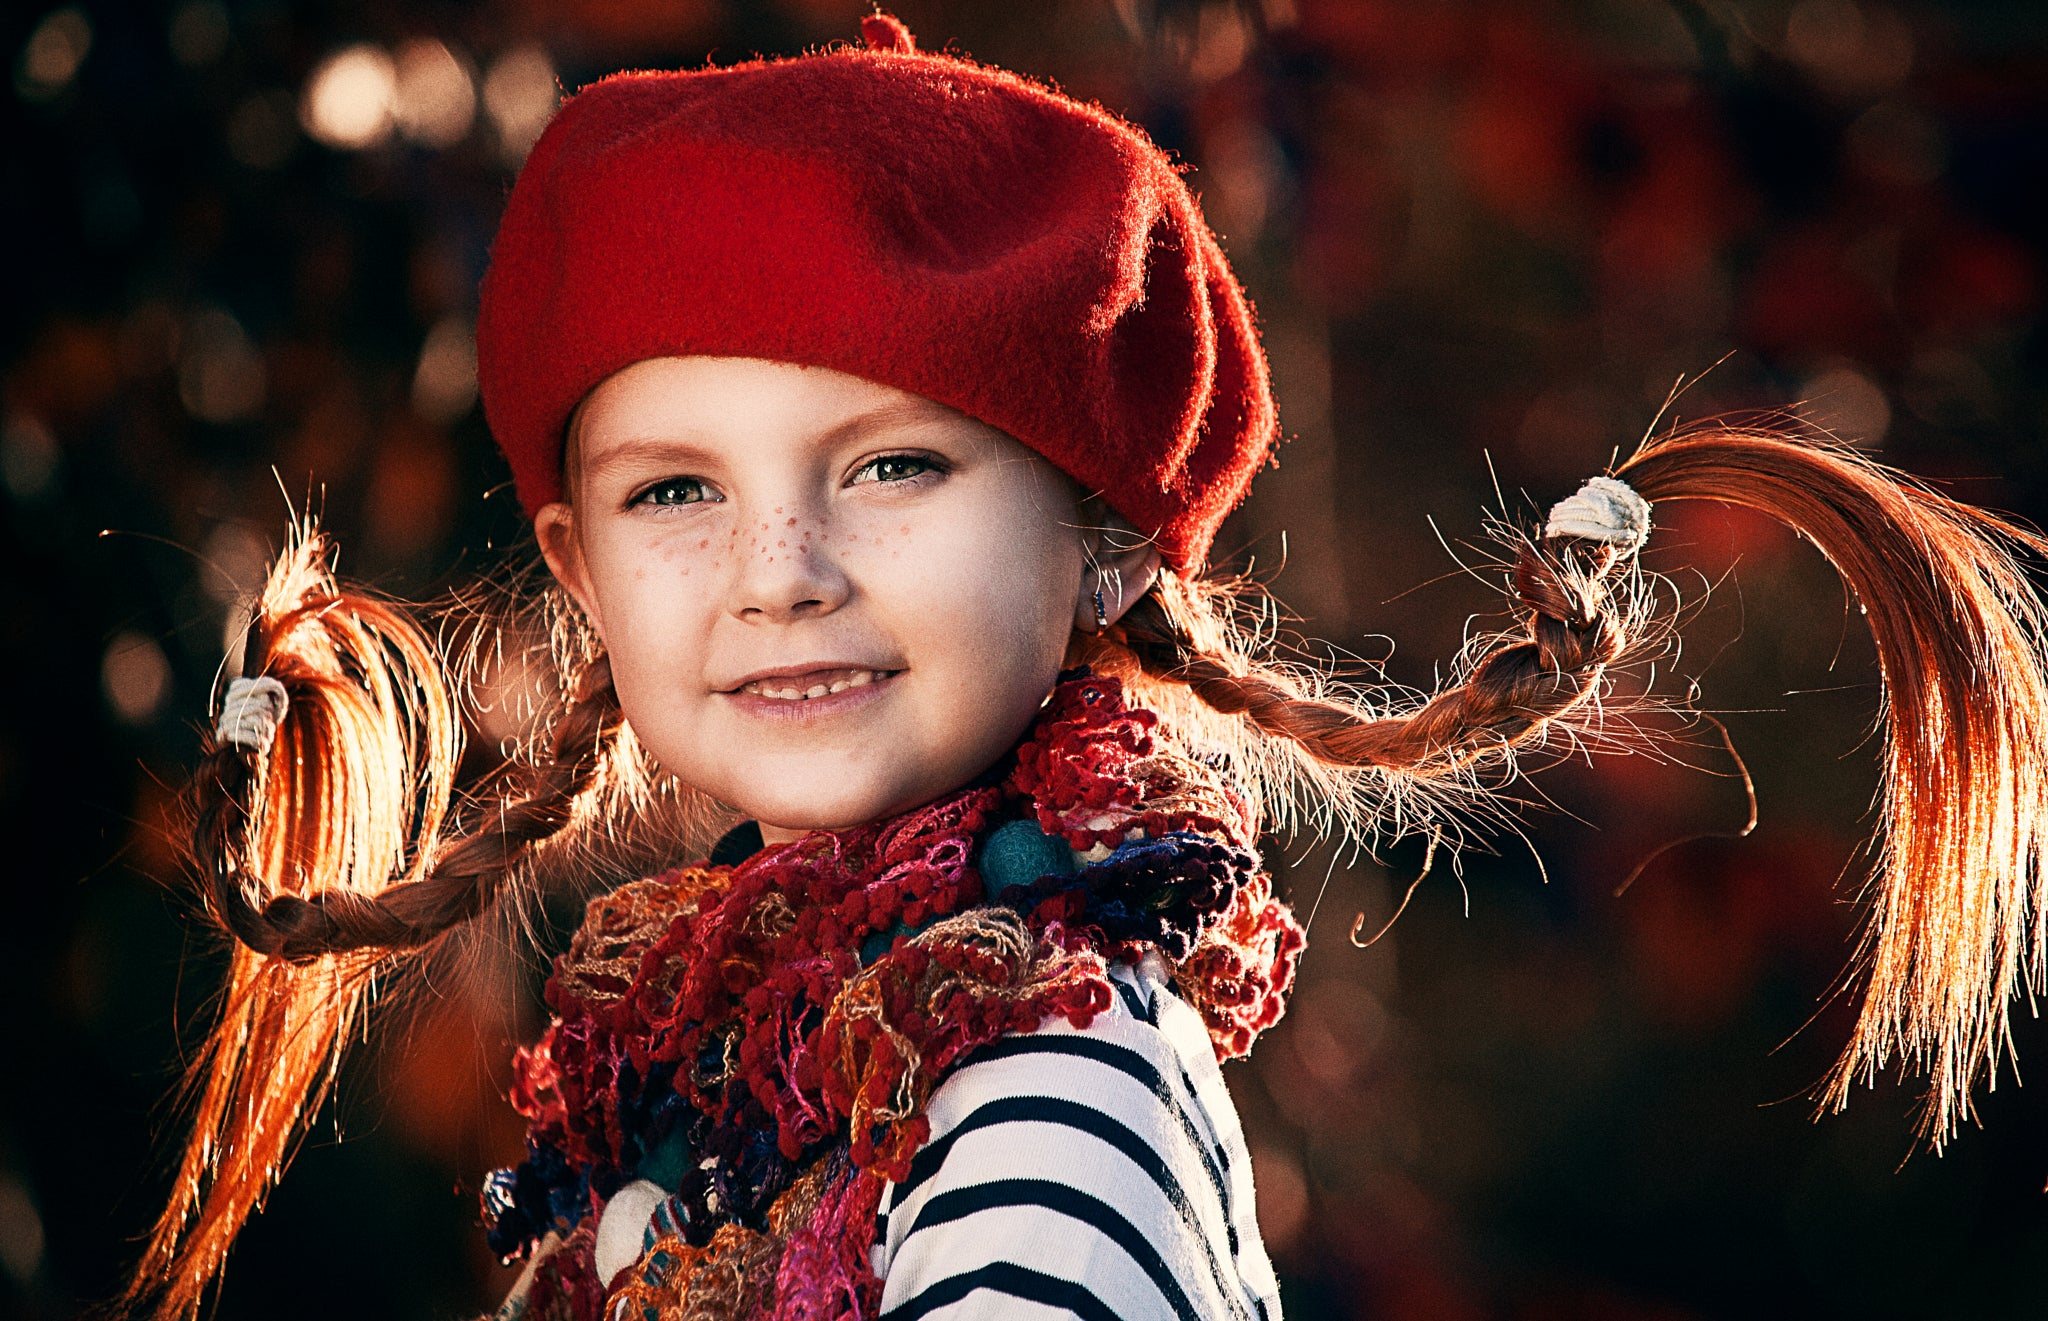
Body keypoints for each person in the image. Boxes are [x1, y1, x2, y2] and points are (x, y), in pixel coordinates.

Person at [125, 10, 2048, 1320]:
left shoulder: (1042, 1085)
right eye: (677, 491)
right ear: (576, 563)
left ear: (1112, 535)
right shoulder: (728, 1052)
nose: (779, 575)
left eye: (893, 465)